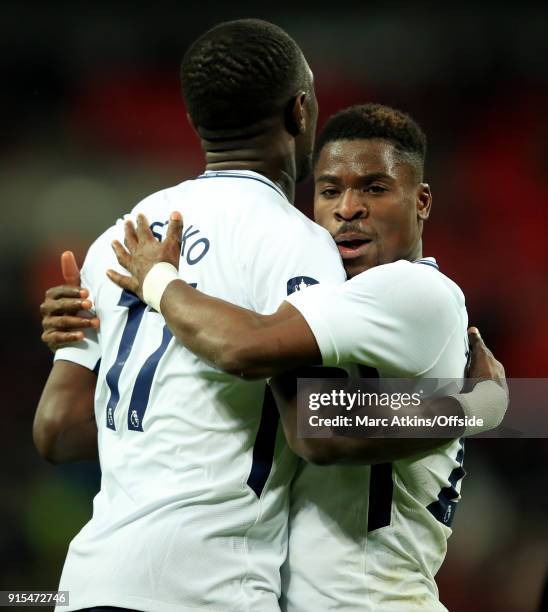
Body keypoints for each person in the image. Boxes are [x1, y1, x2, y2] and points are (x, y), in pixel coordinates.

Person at [102, 104, 508, 611]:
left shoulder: (412, 288)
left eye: (375, 189)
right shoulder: (333, 302)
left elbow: (306, 412)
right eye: (330, 190)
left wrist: (156, 280)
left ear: (422, 201)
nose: (348, 208)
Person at [34, 19, 349, 612]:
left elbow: (56, 425)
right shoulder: (296, 242)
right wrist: (468, 405)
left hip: (85, 585)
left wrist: (168, 428)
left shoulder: (120, 239)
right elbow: (323, 425)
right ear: (300, 111)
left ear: (193, 122)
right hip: (207, 589)